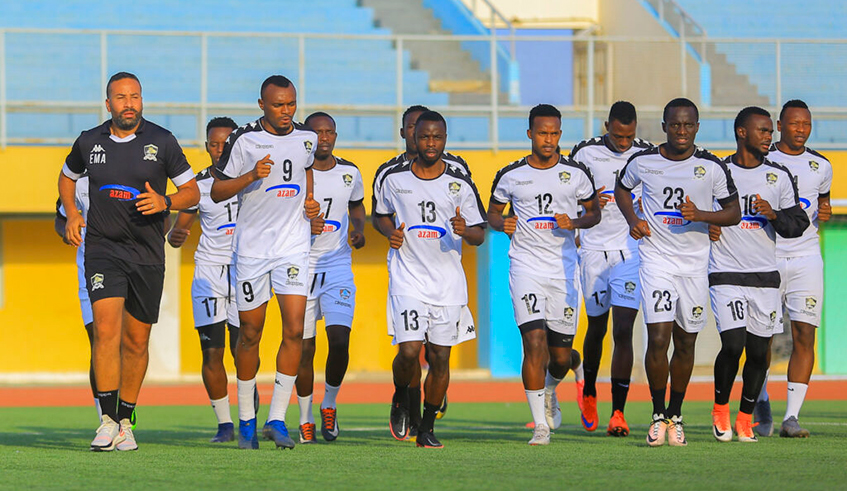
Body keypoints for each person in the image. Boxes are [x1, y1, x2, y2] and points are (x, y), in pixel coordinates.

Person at [58, 72, 200, 451]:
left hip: (148, 254)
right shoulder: (89, 142)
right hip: (103, 250)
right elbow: (67, 176)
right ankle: (106, 419)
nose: (128, 103)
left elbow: (192, 191)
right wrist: (72, 213)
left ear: (142, 100)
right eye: (120, 97)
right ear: (108, 104)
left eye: (134, 96)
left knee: (137, 341)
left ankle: (125, 420)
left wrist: (166, 201)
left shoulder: (162, 141)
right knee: (106, 332)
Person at [615, 97, 741, 447]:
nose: (681, 131)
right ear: (664, 127)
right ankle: (657, 415)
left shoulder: (712, 167)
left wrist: (702, 215)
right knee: (658, 337)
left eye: (688, 125)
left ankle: (676, 414)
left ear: (697, 127)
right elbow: (622, 189)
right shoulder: (644, 162)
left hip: (696, 265)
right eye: (675, 125)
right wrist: (633, 220)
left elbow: (733, 212)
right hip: (657, 261)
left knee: (686, 342)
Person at [211, 75, 320, 450]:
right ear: (262, 105)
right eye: (278, 105)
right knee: (251, 333)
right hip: (252, 250)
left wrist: (310, 200)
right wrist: (250, 175)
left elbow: (306, 170)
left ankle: (276, 418)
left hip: (293, 246)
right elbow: (216, 188)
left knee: (294, 330)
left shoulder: (307, 137)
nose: (286, 111)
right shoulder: (244, 140)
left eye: (291, 103)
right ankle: (245, 421)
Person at [489, 104, 600, 445]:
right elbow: (491, 214)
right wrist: (501, 223)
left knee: (561, 358)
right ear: (530, 134)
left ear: (560, 134)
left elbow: (594, 213)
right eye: (542, 133)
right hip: (526, 267)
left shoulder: (576, 173)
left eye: (554, 133)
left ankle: (551, 389)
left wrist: (576, 222)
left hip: (564, 271)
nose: (548, 139)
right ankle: (539, 424)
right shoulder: (511, 175)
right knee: (533, 343)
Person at [375, 111, 486, 448]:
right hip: (408, 279)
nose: (430, 143)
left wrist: (466, 231)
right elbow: (380, 215)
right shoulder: (393, 178)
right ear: (413, 138)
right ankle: (400, 396)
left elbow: (480, 234)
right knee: (409, 352)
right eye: (424, 137)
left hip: (448, 284)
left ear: (445, 138)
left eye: (437, 137)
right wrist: (390, 232)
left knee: (439, 358)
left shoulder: (460, 182)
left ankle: (426, 428)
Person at [709, 107, 809, 443]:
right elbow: (696, 210)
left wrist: (776, 215)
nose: (769, 137)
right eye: (763, 131)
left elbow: (798, 225)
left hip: (765, 278)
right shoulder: (717, 171)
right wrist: (710, 222)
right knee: (733, 344)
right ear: (741, 133)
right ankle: (720, 409)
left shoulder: (778, 176)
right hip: (725, 273)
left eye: (770, 132)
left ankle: (744, 418)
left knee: (757, 352)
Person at [569, 101, 652, 436]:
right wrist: (585, 206)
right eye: (618, 135)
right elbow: (565, 190)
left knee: (623, 330)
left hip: (630, 252)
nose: (624, 142)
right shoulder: (585, 153)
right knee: (597, 328)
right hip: (593, 248)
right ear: (607, 126)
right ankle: (589, 388)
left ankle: (618, 411)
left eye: (629, 136)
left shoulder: (647, 154)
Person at [754, 100, 832, 438]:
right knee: (761, 339)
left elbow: (823, 199)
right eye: (794, 123)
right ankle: (760, 401)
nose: (801, 130)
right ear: (780, 126)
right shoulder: (762, 160)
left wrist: (825, 208)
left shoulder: (821, 165)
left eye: (806, 124)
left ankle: (792, 417)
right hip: (766, 256)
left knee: (805, 335)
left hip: (806, 259)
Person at [167, 116, 246, 443]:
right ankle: (225, 425)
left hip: (245, 272)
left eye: (225, 144)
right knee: (212, 351)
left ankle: (249, 415)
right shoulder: (197, 185)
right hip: (210, 273)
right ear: (207, 146)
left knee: (244, 348)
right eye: (213, 144)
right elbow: (180, 225)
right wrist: (175, 235)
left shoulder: (255, 179)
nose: (219, 150)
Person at [294, 112, 366, 444]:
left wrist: (359, 229)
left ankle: (330, 404)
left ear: (335, 135)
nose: (323, 137)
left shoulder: (350, 172)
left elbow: (356, 207)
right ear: (307, 137)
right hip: (300, 267)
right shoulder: (294, 171)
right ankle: (305, 416)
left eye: (329, 132)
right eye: (317, 132)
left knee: (339, 341)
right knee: (304, 350)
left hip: (337, 266)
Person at [54, 174, 100, 423]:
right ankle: (106, 417)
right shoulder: (78, 182)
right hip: (90, 270)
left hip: (129, 266)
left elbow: (163, 218)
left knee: (127, 344)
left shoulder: (130, 171)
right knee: (100, 342)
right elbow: (61, 219)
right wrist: (68, 231)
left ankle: (126, 405)